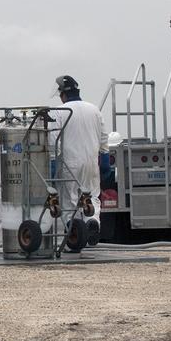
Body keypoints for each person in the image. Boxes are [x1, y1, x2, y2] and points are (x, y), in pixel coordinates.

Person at [50, 75, 110, 228]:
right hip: (91, 162)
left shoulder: (59, 112)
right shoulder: (94, 110)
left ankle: (75, 235)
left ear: (63, 94)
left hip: (69, 164)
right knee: (92, 197)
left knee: (70, 201)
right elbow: (104, 138)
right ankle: (92, 222)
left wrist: (51, 168)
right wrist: (105, 160)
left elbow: (53, 142)